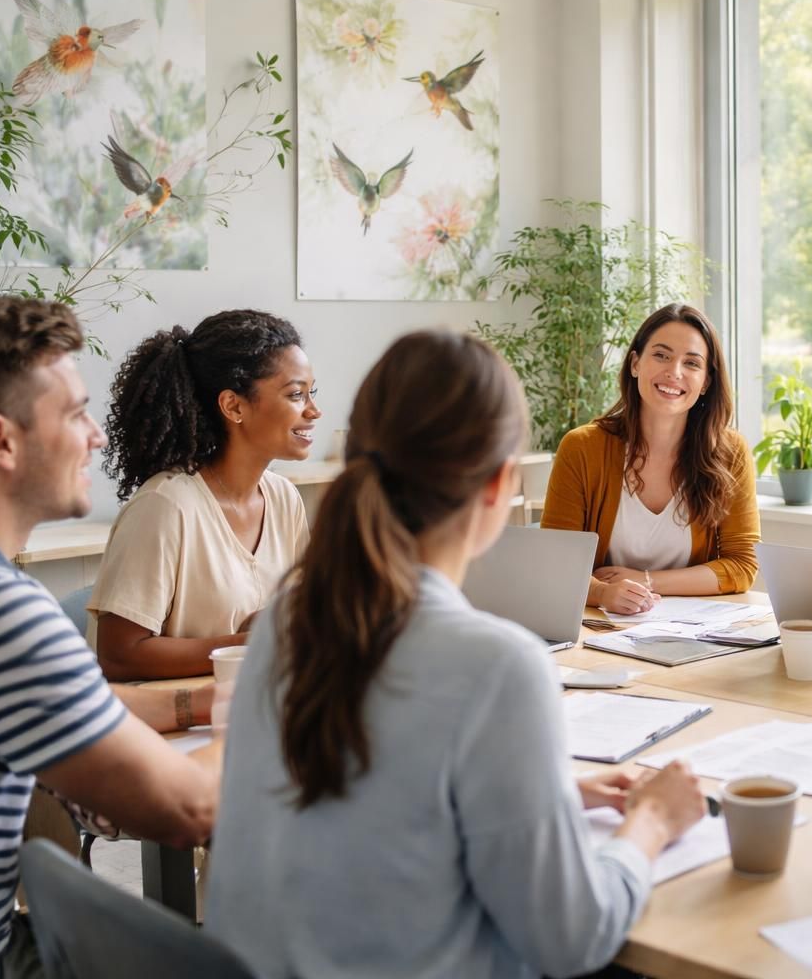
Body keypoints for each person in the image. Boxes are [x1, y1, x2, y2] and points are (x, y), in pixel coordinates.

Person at [206, 329, 705, 978]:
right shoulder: (499, 667)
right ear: (500, 485)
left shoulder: (288, 617)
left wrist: (547, 799)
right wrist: (652, 823)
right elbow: (572, 938)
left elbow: (372, 800)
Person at [0, 296, 216, 979]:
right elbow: (187, 810)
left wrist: (206, 698)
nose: (97, 436)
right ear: (0, 440)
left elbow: (67, 706)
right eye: (75, 413)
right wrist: (277, 708)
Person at [90, 310, 317, 681]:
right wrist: (249, 643)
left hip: (253, 706)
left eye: (311, 393)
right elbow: (118, 656)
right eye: (296, 394)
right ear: (233, 406)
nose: (313, 410)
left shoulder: (284, 498)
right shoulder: (165, 506)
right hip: (173, 724)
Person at [542, 303, 759, 615]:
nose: (674, 372)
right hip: (599, 628)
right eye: (661, 355)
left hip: (694, 633)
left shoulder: (730, 452)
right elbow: (555, 562)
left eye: (692, 363)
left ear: (706, 382)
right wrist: (603, 593)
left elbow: (741, 566)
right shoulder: (582, 448)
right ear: (635, 363)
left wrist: (647, 581)